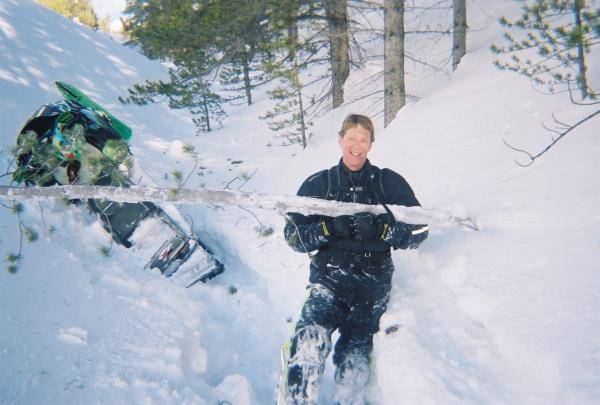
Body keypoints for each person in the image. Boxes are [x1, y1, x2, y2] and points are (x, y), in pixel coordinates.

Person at [279, 114, 429, 405]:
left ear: (371, 144)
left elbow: (420, 230)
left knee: (355, 355)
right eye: (351, 139)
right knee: (310, 338)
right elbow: (293, 237)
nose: (356, 146)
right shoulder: (318, 184)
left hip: (372, 283)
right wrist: (326, 228)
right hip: (329, 279)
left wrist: (385, 230)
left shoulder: (388, 183)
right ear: (340, 140)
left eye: (363, 139)